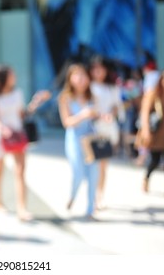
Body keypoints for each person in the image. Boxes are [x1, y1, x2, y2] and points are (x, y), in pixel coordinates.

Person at [0, 65, 51, 221]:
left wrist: (36, 102)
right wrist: (1, 127)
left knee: (20, 171)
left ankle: (22, 208)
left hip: (17, 136)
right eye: (11, 75)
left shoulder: (17, 93)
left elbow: (22, 114)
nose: (15, 77)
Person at [58, 64, 99, 219]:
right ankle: (72, 196)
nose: (81, 79)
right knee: (78, 172)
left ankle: (90, 209)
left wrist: (99, 115)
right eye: (77, 75)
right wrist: (83, 115)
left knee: (93, 173)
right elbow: (66, 122)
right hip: (74, 139)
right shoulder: (65, 97)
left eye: (84, 75)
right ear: (71, 78)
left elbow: (96, 115)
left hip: (90, 139)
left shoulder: (92, 96)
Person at [90, 57, 124, 209]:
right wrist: (98, 115)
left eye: (101, 68)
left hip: (108, 130)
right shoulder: (88, 87)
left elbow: (118, 106)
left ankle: (99, 196)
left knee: (103, 165)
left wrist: (111, 113)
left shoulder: (112, 88)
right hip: (92, 130)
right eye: (95, 68)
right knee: (92, 166)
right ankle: (91, 195)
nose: (98, 71)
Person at [140, 70, 164, 198]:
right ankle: (146, 179)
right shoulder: (153, 95)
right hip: (157, 135)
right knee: (154, 160)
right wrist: (145, 130)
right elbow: (145, 113)